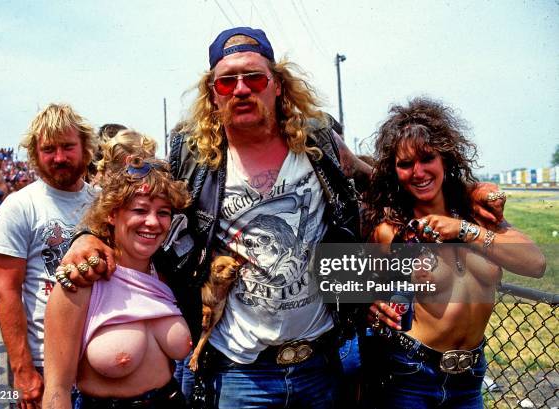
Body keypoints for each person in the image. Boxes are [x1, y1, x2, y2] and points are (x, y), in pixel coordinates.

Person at [60, 28, 505, 408]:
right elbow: (130, 200)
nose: (241, 89)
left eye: (254, 77)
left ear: (277, 85)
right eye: (226, 82)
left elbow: (383, 185)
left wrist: (464, 190)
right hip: (240, 373)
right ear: (211, 94)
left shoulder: (318, 143)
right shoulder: (192, 155)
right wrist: (85, 235)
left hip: (320, 363)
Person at [364, 97, 545, 408]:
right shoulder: (392, 229)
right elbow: (349, 281)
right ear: (395, 172)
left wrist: (462, 231)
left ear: (444, 159)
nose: (418, 172)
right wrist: (369, 301)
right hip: (410, 376)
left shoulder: (479, 216)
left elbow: (536, 264)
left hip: (470, 380)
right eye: (405, 164)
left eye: (427, 158)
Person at [43, 144, 191, 408]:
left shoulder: (169, 274)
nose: (153, 222)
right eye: (140, 210)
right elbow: (57, 389)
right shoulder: (81, 280)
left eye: (164, 212)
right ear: (112, 214)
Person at [0, 103, 96, 408]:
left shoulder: (102, 202)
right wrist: (22, 370)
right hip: (43, 362)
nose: (59, 157)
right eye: (49, 149)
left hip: (98, 358)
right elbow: (5, 291)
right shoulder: (20, 206)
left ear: (85, 147)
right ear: (35, 153)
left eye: (67, 146)